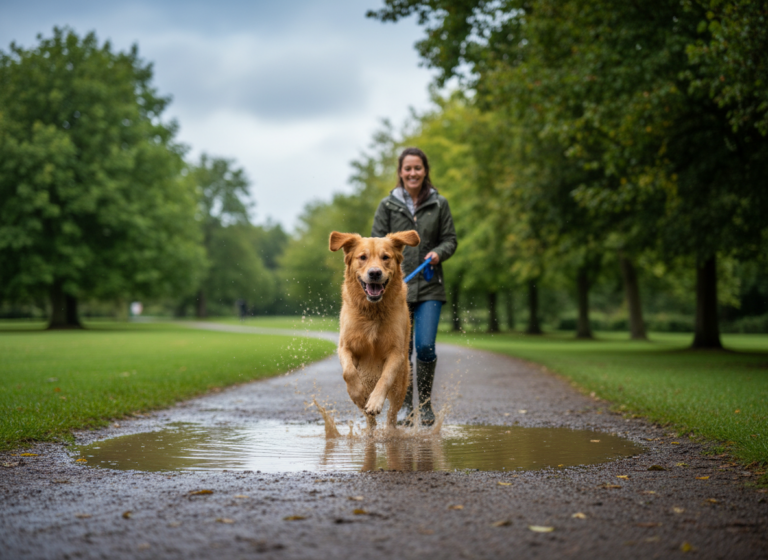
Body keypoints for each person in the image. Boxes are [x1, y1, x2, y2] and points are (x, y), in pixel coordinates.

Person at [371, 147, 458, 425]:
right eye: (407, 168)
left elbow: (450, 239)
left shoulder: (439, 203)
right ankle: (405, 405)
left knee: (424, 347)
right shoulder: (388, 205)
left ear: (425, 171)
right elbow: (374, 245)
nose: (412, 173)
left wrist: (439, 253)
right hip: (395, 291)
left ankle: (424, 404)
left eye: (417, 168)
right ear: (400, 172)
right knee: (401, 351)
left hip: (430, 287)